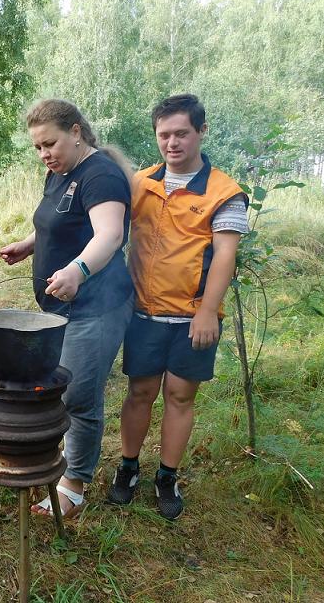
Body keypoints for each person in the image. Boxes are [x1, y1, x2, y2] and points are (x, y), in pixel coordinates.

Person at [107, 94, 249, 520]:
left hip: (193, 318)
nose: (172, 143)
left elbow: (225, 256)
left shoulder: (225, 193)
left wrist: (207, 310)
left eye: (181, 133)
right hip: (144, 313)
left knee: (180, 396)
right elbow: (105, 224)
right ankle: (128, 467)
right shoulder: (140, 183)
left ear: (201, 132)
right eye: (164, 134)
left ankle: (167, 476)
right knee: (140, 391)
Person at [0, 99, 135, 519]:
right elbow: (57, 222)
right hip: (60, 308)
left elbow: (108, 236)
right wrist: (30, 243)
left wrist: (77, 271)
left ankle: (74, 483)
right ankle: (58, 463)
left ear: (76, 132)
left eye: (50, 144)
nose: (44, 154)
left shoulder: (101, 175)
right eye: (38, 147)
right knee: (60, 386)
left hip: (97, 308)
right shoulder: (60, 172)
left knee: (79, 395)